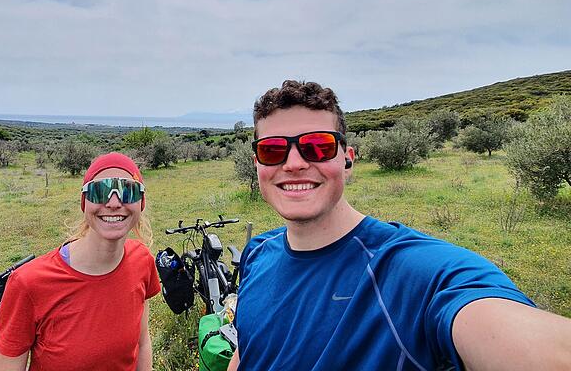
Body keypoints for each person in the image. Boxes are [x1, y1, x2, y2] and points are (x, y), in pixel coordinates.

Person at [228, 80, 571, 370]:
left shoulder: (415, 272)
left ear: (347, 161)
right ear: (257, 164)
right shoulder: (257, 253)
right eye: (273, 150)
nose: (294, 164)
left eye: (317, 147)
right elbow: (250, 350)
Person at [0, 153, 160, 371]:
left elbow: (142, 341)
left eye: (128, 191)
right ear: (84, 202)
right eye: (99, 191)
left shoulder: (142, 261)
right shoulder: (29, 283)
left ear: (141, 202)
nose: (113, 203)